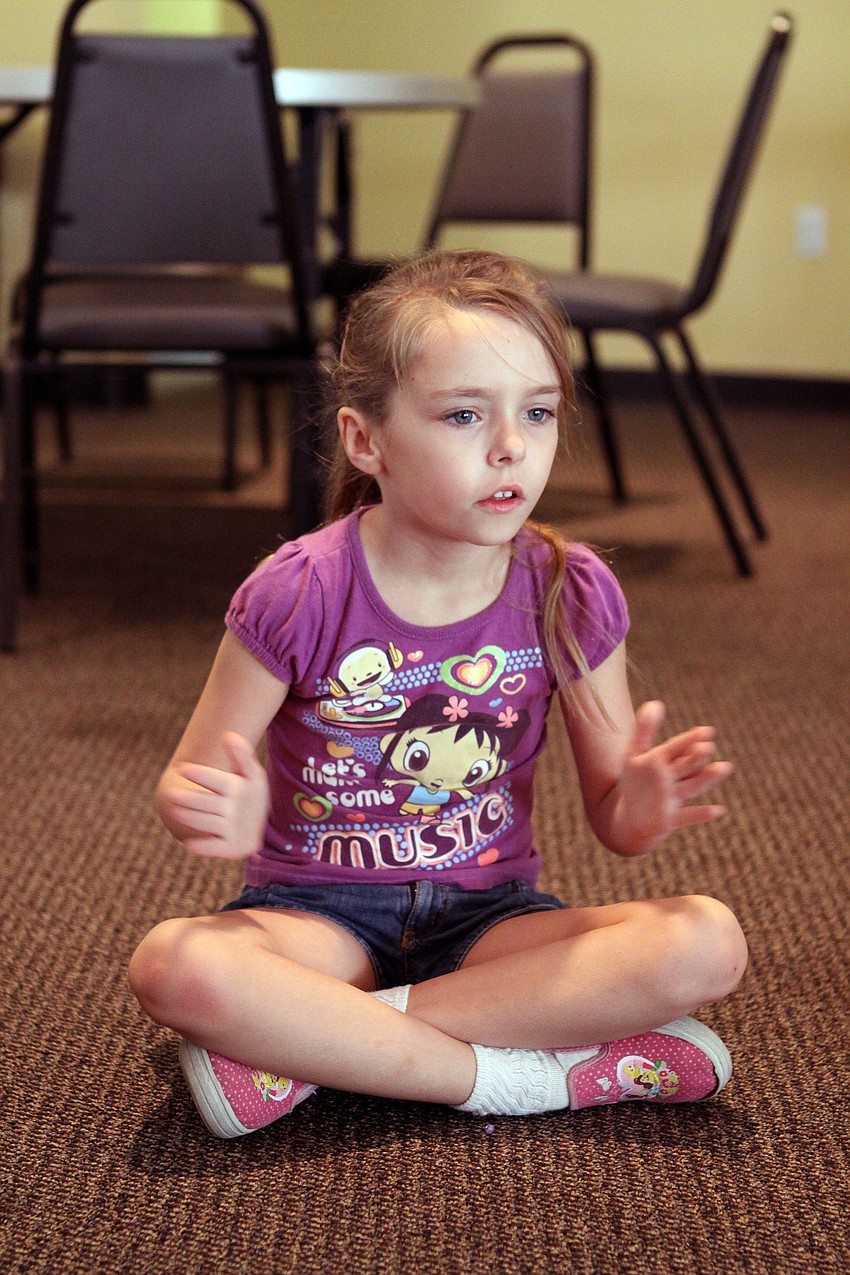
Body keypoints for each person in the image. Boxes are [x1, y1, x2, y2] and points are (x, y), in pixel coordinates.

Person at [129, 249, 747, 1139]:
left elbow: (614, 819)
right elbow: (189, 776)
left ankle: (317, 1045)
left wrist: (640, 806)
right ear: (364, 439)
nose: (512, 447)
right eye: (464, 415)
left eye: (537, 413)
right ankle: (518, 1073)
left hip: (488, 917)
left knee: (706, 939)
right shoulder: (298, 588)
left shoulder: (567, 589)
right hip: (317, 921)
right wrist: (203, 808)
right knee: (175, 966)